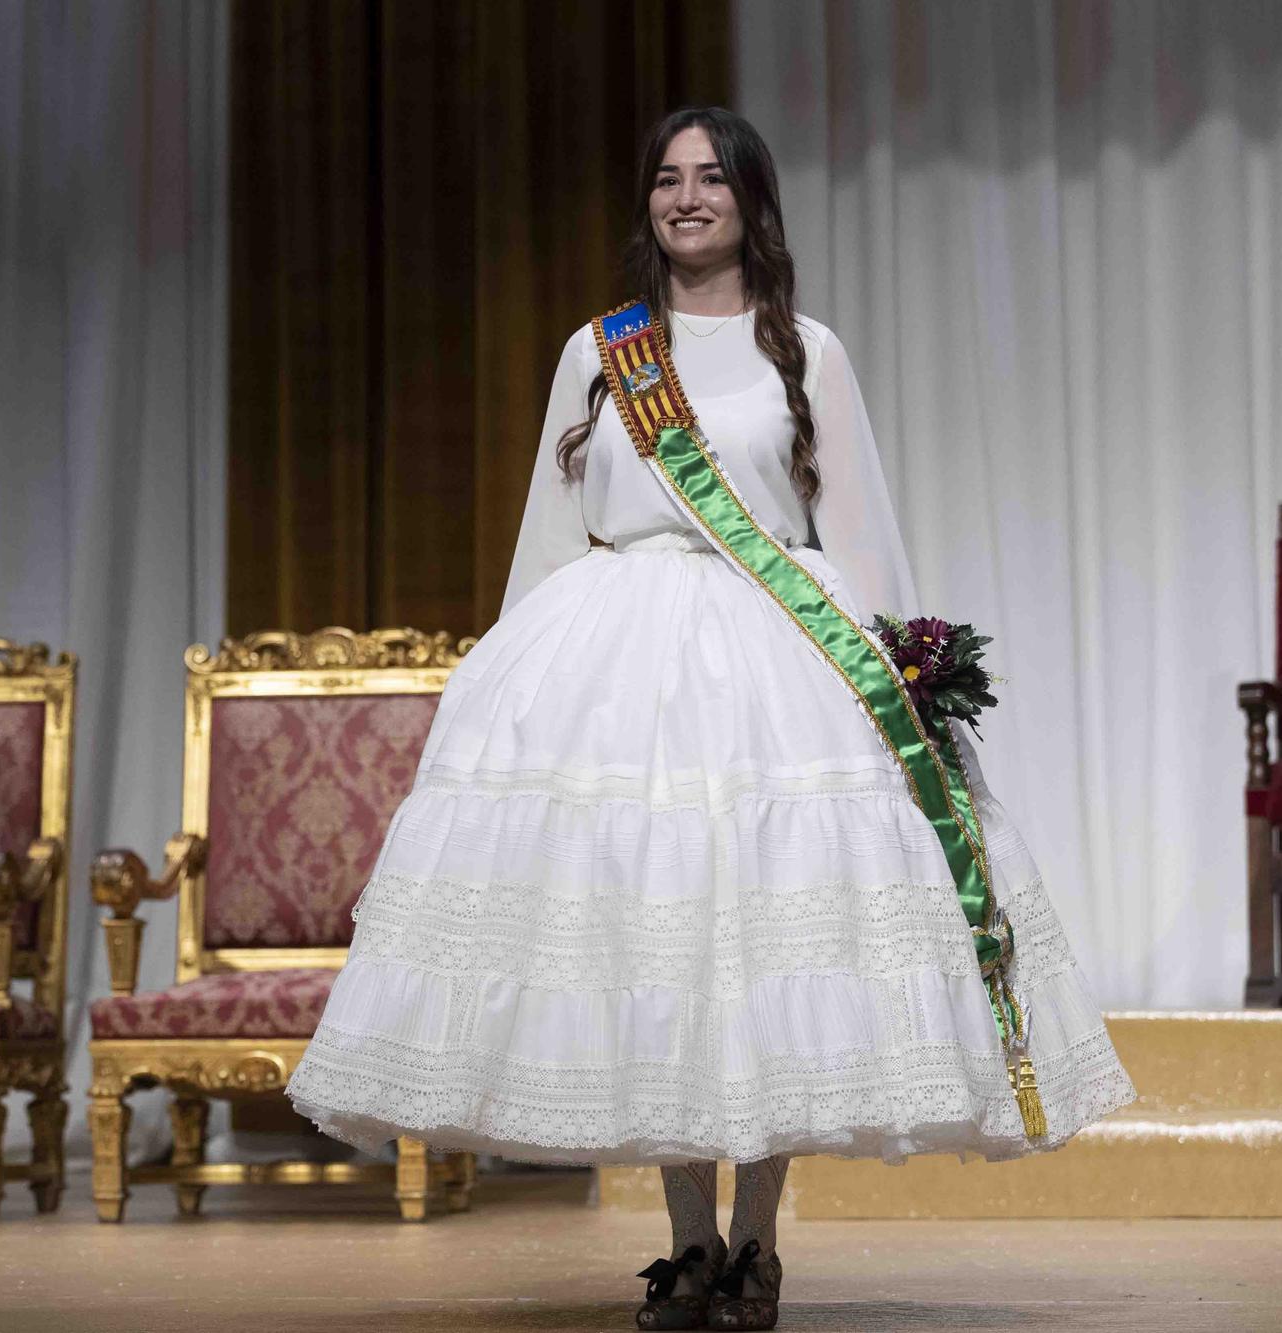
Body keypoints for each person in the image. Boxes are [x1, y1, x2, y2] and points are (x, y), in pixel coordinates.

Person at [286, 109, 1135, 1329]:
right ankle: (684, 1241)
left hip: (778, 655)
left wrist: (898, 666)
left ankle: (755, 1241)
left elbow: (854, 529)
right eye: (667, 180)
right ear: (646, 202)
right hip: (619, 658)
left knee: (774, 950)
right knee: (660, 940)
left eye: (711, 179)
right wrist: (508, 691)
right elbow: (548, 523)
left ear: (750, 200)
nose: (687, 198)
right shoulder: (600, 349)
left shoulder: (808, 349)